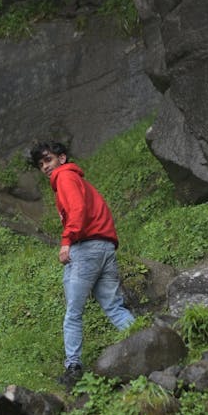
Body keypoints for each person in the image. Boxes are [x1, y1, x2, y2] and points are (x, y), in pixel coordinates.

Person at [30, 140, 136, 389]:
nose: (45, 166)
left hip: (86, 248)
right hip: (106, 247)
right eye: (41, 163)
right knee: (114, 307)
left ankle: (73, 367)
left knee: (73, 314)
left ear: (62, 159)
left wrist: (67, 241)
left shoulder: (64, 177)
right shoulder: (79, 180)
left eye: (48, 160)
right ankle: (145, 341)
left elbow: (78, 210)